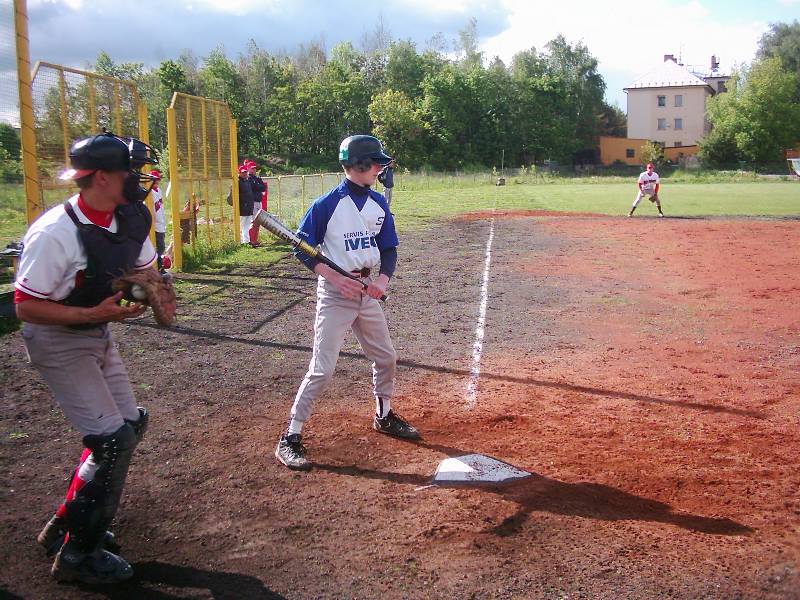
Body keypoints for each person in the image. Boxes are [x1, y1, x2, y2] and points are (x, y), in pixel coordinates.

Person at [14, 132, 159, 584]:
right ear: (100, 177)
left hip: (94, 329)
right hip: (55, 336)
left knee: (130, 425)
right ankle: (79, 554)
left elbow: (140, 271)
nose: (137, 180)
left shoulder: (129, 217)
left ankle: (67, 524)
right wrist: (92, 311)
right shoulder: (55, 232)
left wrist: (145, 295)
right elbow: (24, 305)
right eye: (128, 173)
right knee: (112, 441)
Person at [274, 135, 419, 471]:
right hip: (337, 295)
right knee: (322, 370)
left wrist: (382, 280)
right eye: (376, 163)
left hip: (366, 290)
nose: (381, 168)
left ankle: (383, 416)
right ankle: (290, 437)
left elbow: (390, 248)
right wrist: (335, 277)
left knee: (386, 357)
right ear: (360, 166)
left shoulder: (378, 204)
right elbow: (302, 249)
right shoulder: (326, 205)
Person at [245, 160, 266, 247]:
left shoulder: (256, 178)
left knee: (258, 222)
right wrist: (258, 186)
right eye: (252, 168)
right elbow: (256, 187)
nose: (254, 170)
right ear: (248, 169)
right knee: (253, 222)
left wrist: (258, 186)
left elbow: (263, 187)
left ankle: (255, 240)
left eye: (254, 168)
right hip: (253, 202)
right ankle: (251, 241)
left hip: (258, 202)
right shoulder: (249, 178)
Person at [149, 169, 167, 272]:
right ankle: (158, 268)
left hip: (161, 223)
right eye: (153, 180)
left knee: (161, 247)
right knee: (157, 247)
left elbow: (160, 206)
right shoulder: (149, 191)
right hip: (154, 224)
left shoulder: (158, 191)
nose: (156, 182)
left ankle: (159, 267)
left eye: (157, 180)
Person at [237, 164, 257, 246]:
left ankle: (246, 241)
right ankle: (241, 241)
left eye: (245, 172)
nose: (244, 173)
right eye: (243, 172)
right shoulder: (238, 182)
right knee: (242, 225)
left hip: (248, 207)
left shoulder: (247, 181)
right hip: (242, 208)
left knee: (247, 225)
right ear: (239, 173)